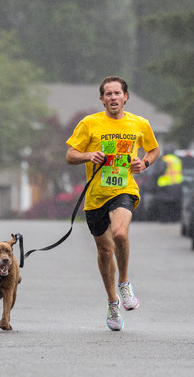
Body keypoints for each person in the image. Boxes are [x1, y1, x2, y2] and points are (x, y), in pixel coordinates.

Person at [66, 76, 160, 331]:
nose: (113, 97)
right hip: (95, 196)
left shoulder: (139, 124)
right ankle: (112, 302)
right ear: (102, 99)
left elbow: (153, 149)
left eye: (117, 93)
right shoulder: (90, 123)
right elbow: (70, 155)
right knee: (105, 251)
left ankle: (125, 282)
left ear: (125, 97)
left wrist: (145, 163)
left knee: (120, 233)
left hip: (124, 190)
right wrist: (87, 155)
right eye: (108, 94)